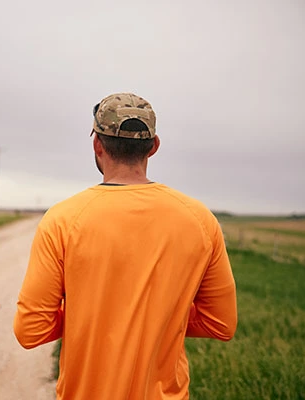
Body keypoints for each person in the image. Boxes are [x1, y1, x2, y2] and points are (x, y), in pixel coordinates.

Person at [13, 92, 237, 399]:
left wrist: (90, 314)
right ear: (153, 147)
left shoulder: (63, 219)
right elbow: (221, 324)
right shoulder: (200, 220)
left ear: (97, 145)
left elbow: (31, 331)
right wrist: (160, 318)